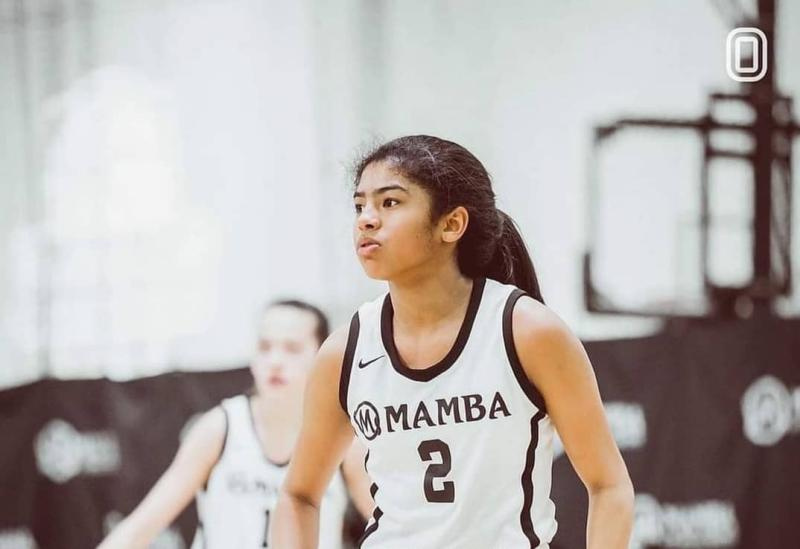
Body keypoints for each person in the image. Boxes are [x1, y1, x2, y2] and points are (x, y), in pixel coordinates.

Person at [272, 135, 634, 548]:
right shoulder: (345, 351)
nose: (366, 220)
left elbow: (609, 487)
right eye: (359, 206)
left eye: (389, 202)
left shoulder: (527, 331)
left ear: (452, 224)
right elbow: (298, 495)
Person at [98, 300, 373, 549]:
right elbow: (139, 528)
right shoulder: (219, 428)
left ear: (322, 357)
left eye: (291, 349)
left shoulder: (341, 438)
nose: (275, 361)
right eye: (265, 347)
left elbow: (388, 522)